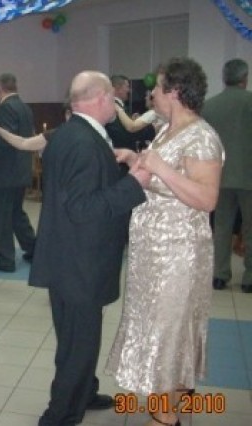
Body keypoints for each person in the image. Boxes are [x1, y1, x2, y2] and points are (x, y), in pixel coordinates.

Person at [106, 57, 223, 426]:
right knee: (165, 329)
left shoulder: (201, 136)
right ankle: (179, 398)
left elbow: (206, 198)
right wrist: (135, 159)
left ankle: (165, 417)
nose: (151, 93)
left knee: (167, 331)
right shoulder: (168, 128)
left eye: (157, 87)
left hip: (177, 254)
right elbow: (160, 176)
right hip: (154, 254)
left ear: (175, 91)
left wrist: (159, 168)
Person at [31, 71, 150, 426]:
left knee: (78, 338)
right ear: (101, 97)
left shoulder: (72, 133)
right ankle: (60, 415)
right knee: (77, 345)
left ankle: (83, 392)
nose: (116, 103)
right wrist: (133, 184)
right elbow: (82, 208)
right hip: (79, 261)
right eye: (113, 96)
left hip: (70, 255)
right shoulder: (82, 141)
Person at [202, 58, 252, 293]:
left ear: (225, 78)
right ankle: (249, 277)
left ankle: (220, 275)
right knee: (250, 228)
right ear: (245, 78)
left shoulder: (209, 106)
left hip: (219, 177)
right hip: (249, 177)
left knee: (221, 227)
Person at [0, 73, 36, 273]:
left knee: (0, 217)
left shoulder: (6, 108)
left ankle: (6, 259)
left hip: (4, 173)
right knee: (16, 214)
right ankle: (34, 249)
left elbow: (4, 139)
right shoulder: (24, 107)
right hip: (20, 169)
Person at [106, 75, 156, 161]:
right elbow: (123, 131)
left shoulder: (120, 107)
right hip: (120, 156)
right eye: (127, 86)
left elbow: (130, 126)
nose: (129, 90)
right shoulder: (112, 107)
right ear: (118, 88)